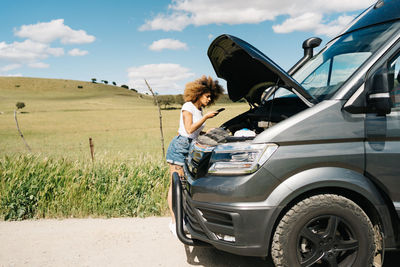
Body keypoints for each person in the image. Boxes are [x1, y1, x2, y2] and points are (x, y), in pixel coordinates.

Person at [166, 75, 224, 236]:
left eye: (211, 96)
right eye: (207, 96)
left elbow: (196, 132)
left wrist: (208, 131)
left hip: (191, 146)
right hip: (180, 147)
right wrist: (206, 118)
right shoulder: (188, 107)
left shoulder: (199, 109)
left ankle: (184, 218)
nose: (209, 99)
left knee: (185, 185)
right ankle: (174, 222)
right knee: (175, 184)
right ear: (198, 94)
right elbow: (189, 129)